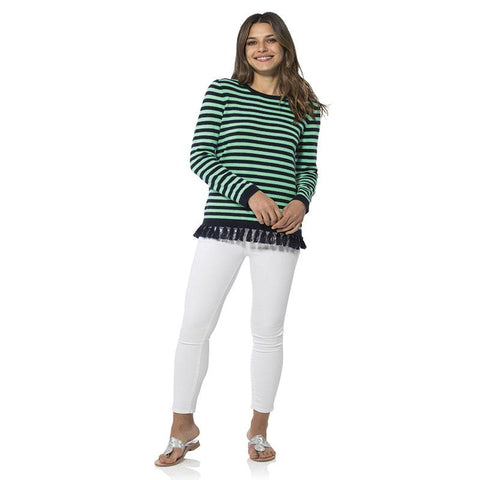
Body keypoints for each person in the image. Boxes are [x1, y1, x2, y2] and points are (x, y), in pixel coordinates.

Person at [155, 11, 328, 467]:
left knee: (268, 332)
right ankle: (181, 427)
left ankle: (258, 429)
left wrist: (301, 202)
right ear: (243, 49)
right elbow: (200, 156)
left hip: (281, 232)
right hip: (224, 225)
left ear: (284, 46)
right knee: (195, 325)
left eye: (270, 40)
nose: (261, 48)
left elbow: (307, 167)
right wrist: (249, 194)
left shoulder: (304, 104)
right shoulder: (223, 91)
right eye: (252, 42)